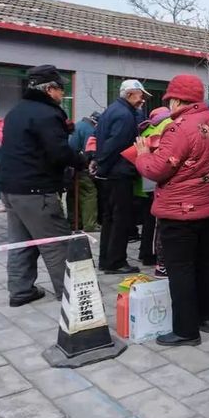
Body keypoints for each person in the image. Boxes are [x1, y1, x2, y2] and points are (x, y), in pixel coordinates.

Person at [135, 74, 209, 346]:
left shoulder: (178, 128)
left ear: (175, 99)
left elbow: (156, 169)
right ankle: (206, 317)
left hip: (179, 211)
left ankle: (186, 330)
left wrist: (142, 154)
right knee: (205, 264)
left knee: (181, 270)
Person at [0, 65, 84, 306]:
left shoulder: (17, 111)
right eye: (60, 90)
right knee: (56, 245)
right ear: (49, 89)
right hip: (37, 191)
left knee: (20, 243)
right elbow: (58, 153)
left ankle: (20, 290)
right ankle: (73, 297)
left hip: (11, 188)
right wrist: (80, 159)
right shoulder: (47, 114)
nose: (62, 95)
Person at [94, 79, 149, 274]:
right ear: (130, 94)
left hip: (111, 172)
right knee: (120, 219)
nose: (142, 100)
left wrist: (100, 164)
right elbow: (115, 145)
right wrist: (103, 165)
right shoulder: (125, 115)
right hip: (119, 172)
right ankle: (115, 261)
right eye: (140, 95)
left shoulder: (112, 110)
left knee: (109, 219)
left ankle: (106, 259)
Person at [135, 107, 173, 276]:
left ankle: (145, 253)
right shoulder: (168, 124)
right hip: (158, 177)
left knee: (148, 220)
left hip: (145, 177)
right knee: (157, 222)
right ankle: (157, 258)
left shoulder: (147, 127)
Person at [67, 111, 101, 231]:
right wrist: (88, 165)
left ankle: (73, 223)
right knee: (89, 193)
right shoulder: (90, 130)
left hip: (68, 166)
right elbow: (89, 151)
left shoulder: (78, 125)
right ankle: (90, 225)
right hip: (79, 167)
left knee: (72, 195)